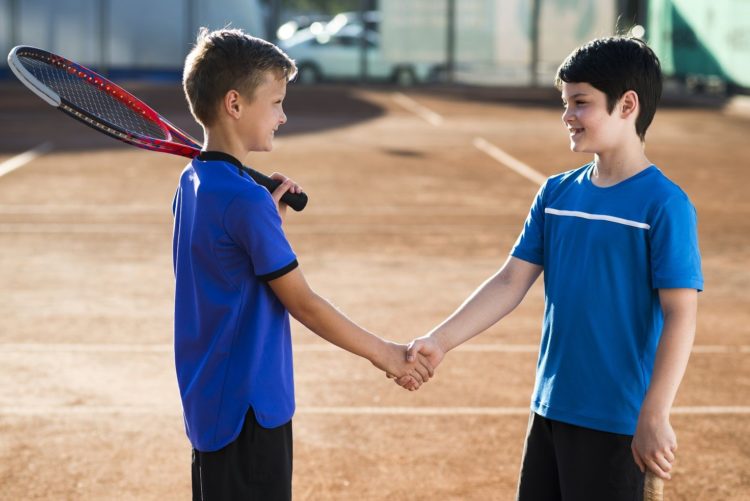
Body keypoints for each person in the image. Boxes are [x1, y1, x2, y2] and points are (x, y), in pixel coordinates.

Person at [401, 36, 703, 500]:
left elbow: (681, 313)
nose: (567, 115)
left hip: (617, 422)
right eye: (565, 103)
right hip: (550, 409)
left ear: (627, 105)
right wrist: (441, 341)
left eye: (580, 103)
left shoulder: (663, 204)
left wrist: (654, 414)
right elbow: (510, 280)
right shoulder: (557, 193)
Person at [173, 27, 432, 501]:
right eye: (275, 102)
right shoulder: (246, 202)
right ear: (234, 104)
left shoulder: (192, 182)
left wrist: (271, 224)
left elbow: (228, 270)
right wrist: (388, 355)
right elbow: (304, 304)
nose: (283, 115)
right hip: (251, 409)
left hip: (210, 397)